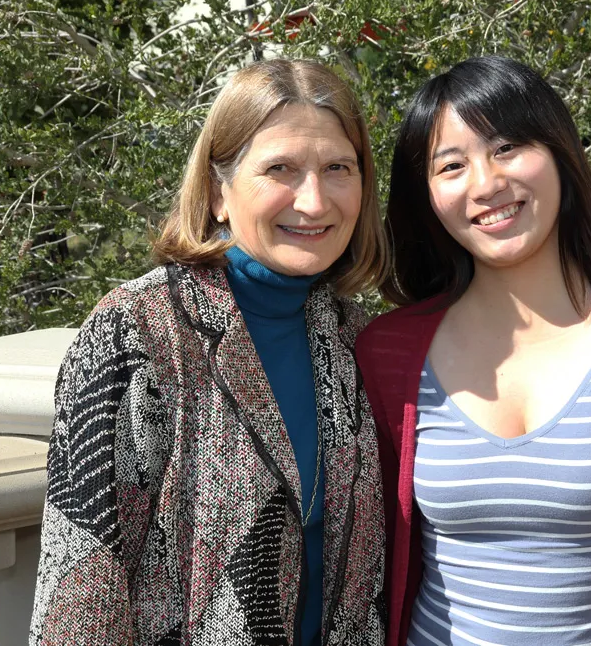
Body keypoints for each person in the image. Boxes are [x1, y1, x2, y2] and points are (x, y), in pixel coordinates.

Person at [356, 56, 591, 646]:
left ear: (561, 154)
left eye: (508, 147)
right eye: (452, 165)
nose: (486, 183)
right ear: (428, 196)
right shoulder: (386, 354)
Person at [31, 59, 388, 646]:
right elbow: (80, 588)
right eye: (281, 169)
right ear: (219, 191)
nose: (315, 199)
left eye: (337, 168)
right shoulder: (139, 333)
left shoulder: (350, 334)